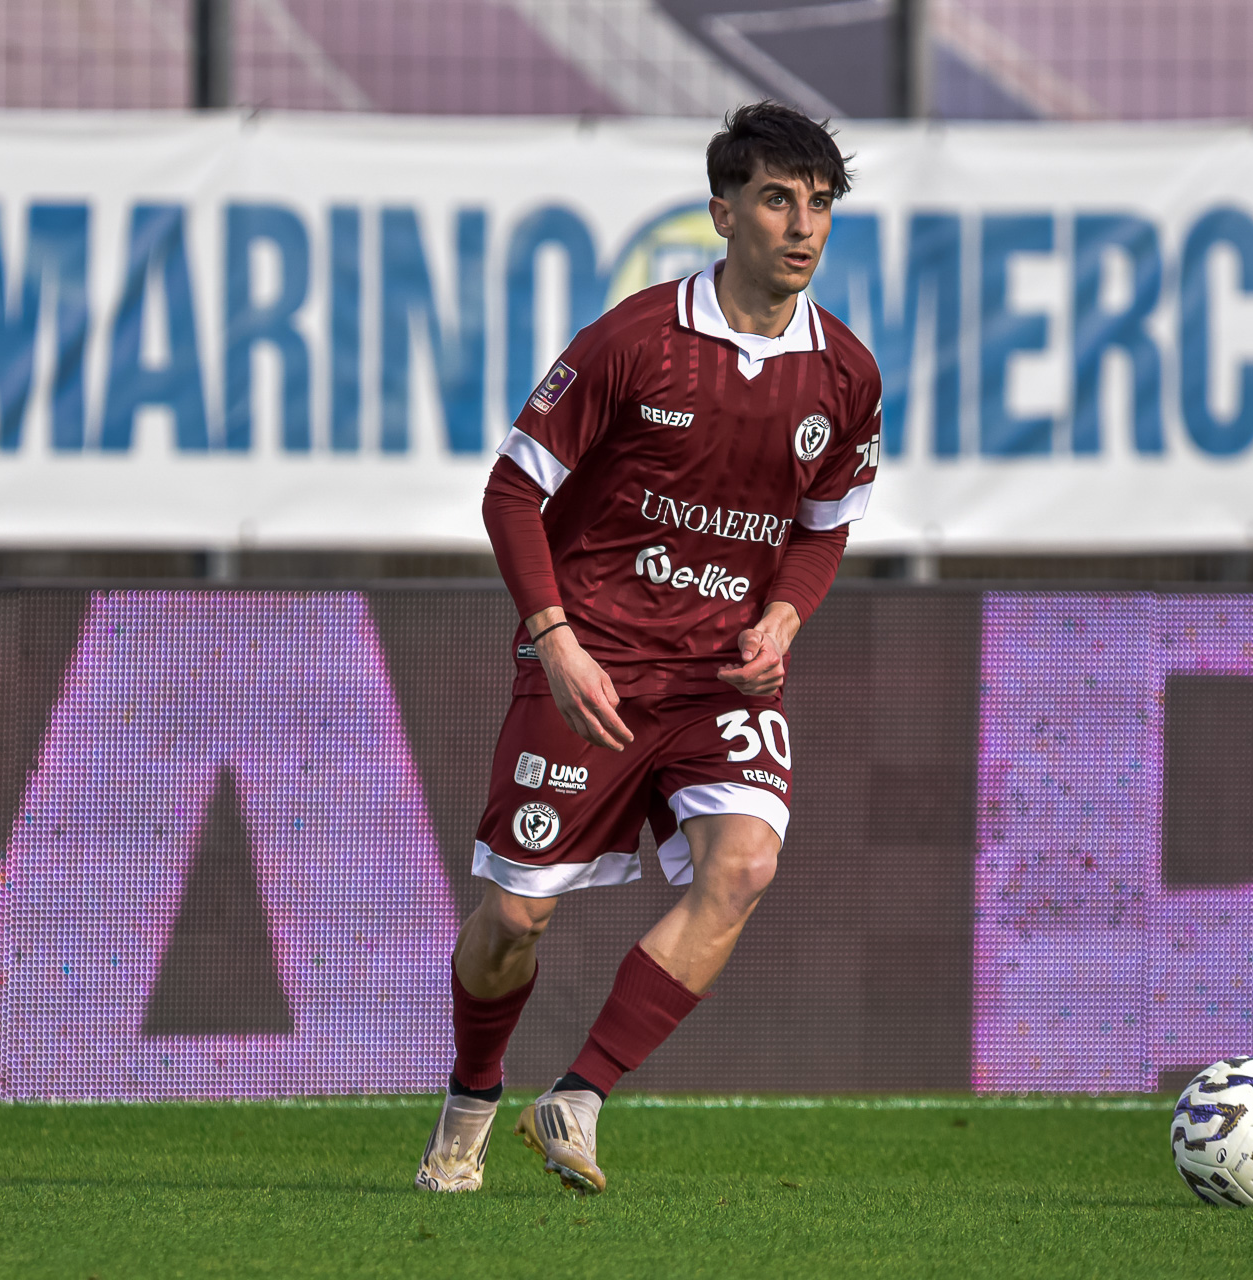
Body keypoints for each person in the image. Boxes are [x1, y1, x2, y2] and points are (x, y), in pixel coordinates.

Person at [416, 101, 881, 1196]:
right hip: (594, 665)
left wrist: (783, 618)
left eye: (819, 204)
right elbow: (511, 493)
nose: (802, 225)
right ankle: (470, 1101)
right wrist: (556, 641)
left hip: (720, 680)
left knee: (746, 864)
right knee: (515, 917)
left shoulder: (847, 376)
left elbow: (823, 529)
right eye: (777, 199)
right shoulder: (634, 341)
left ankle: (577, 1096)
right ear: (723, 212)